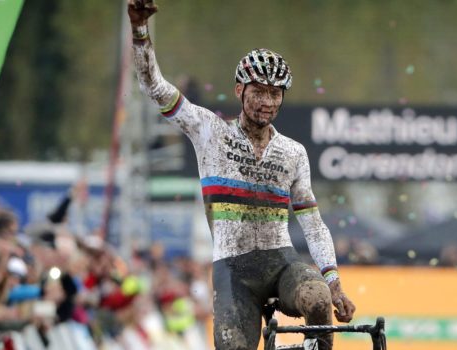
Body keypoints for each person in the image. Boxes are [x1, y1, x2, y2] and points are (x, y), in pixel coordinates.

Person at [127, 1, 356, 349]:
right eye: (259, 92)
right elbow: (154, 86)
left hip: (281, 263)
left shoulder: (293, 152)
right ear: (239, 91)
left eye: (275, 93)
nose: (267, 101)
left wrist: (334, 281)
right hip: (233, 272)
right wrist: (140, 31)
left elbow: (313, 224)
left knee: (319, 299)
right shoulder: (210, 131)